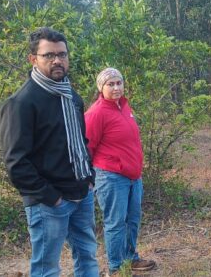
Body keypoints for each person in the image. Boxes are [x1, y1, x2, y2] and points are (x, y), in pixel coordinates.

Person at [0, 27, 99, 277]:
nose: (57, 60)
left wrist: (89, 180)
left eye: (62, 55)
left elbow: (81, 140)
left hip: (81, 193)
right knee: (47, 269)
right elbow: (16, 163)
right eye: (49, 55)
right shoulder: (22, 102)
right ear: (33, 59)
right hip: (49, 202)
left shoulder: (72, 97)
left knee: (87, 257)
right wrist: (51, 197)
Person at [85, 68, 156, 274]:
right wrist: (89, 178)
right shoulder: (96, 113)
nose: (116, 87)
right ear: (101, 87)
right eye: (110, 84)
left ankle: (131, 258)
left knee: (132, 219)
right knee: (115, 223)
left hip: (133, 176)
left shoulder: (124, 107)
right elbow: (87, 148)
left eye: (119, 83)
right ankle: (116, 267)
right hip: (111, 176)